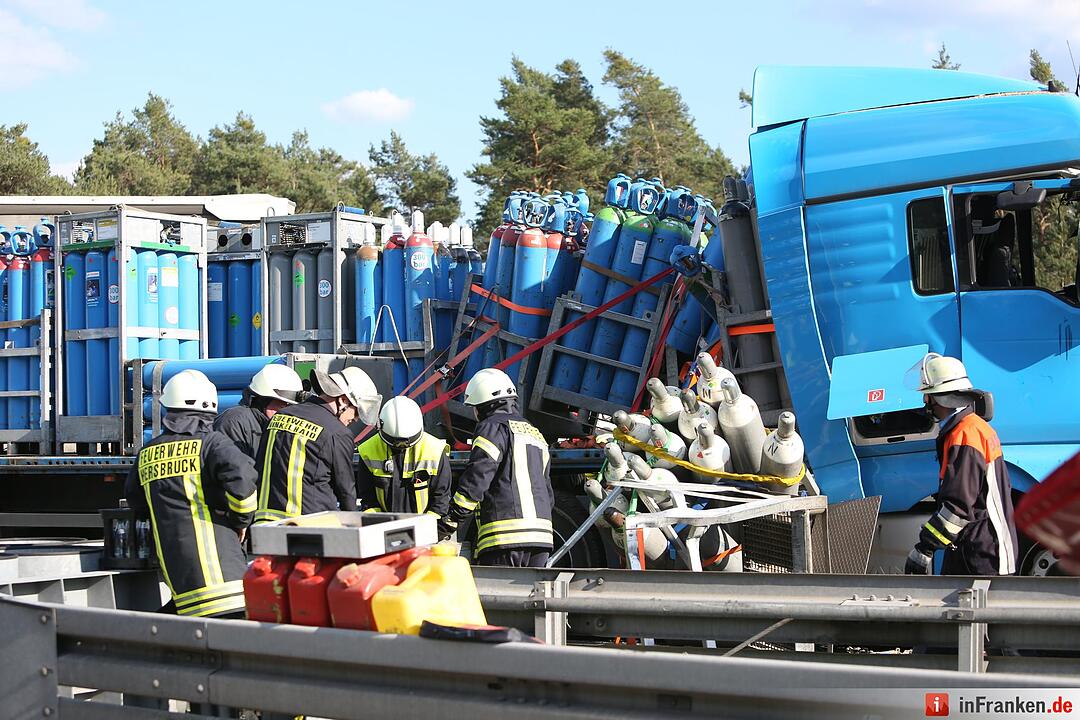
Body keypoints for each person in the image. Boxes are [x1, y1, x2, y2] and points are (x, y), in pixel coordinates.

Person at [124, 370, 258, 618]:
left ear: (169, 407)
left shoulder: (147, 453)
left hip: (182, 588)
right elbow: (243, 480)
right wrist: (241, 521)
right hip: (227, 587)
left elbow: (137, 502)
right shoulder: (213, 444)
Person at [905, 353, 1018, 576]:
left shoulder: (965, 435)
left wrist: (924, 548)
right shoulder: (972, 427)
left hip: (980, 552)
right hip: (980, 544)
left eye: (928, 395)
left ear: (940, 397)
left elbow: (957, 507)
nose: (925, 402)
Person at [441, 368, 555, 566]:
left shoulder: (491, 427)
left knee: (498, 587)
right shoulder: (535, 432)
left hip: (504, 538)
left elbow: (478, 477)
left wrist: (451, 519)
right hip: (542, 538)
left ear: (482, 406)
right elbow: (547, 491)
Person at [253, 366, 381, 523]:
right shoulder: (338, 433)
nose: (355, 419)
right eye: (356, 411)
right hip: (309, 527)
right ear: (343, 400)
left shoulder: (279, 417)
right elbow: (345, 491)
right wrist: (353, 523)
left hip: (264, 523)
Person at [356, 396, 451, 518]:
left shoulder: (434, 450)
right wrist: (378, 524)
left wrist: (427, 527)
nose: (401, 447)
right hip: (383, 526)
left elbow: (440, 501)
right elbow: (368, 499)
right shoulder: (368, 451)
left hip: (424, 526)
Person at [214, 364, 304, 459]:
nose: (286, 410)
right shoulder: (234, 422)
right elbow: (231, 464)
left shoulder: (281, 429)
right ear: (263, 400)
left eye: (290, 405)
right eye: (281, 403)